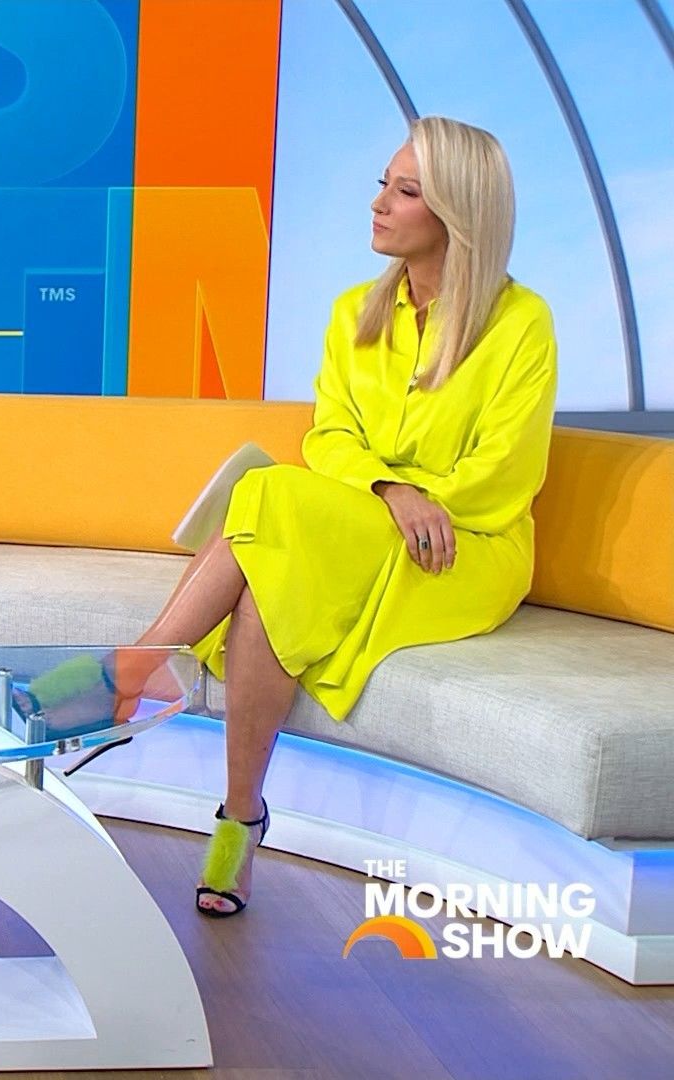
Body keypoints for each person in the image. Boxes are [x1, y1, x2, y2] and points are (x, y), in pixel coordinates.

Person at [27, 116, 556, 917]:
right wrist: (389, 489)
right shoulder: (355, 314)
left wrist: (419, 501)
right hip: (370, 520)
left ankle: (134, 671)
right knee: (273, 564)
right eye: (382, 184)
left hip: (462, 547)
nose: (378, 203)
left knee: (267, 499)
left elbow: (505, 471)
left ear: (459, 212)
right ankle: (238, 816)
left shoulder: (521, 325)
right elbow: (330, 438)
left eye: (405, 191)